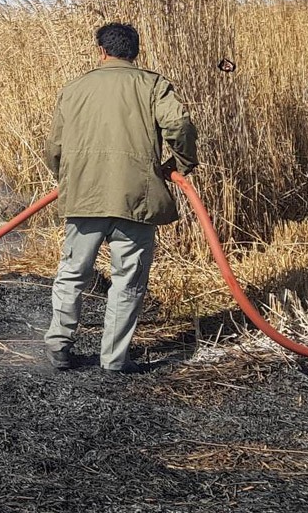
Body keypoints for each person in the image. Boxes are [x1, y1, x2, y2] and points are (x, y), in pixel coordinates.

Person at [43, 23, 197, 373]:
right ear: (136, 52)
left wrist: (68, 179)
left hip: (84, 197)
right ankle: (113, 360)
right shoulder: (153, 85)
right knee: (128, 279)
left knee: (72, 272)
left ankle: (59, 347)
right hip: (137, 198)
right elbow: (180, 126)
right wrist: (181, 163)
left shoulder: (74, 89)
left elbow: (54, 148)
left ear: (101, 51)